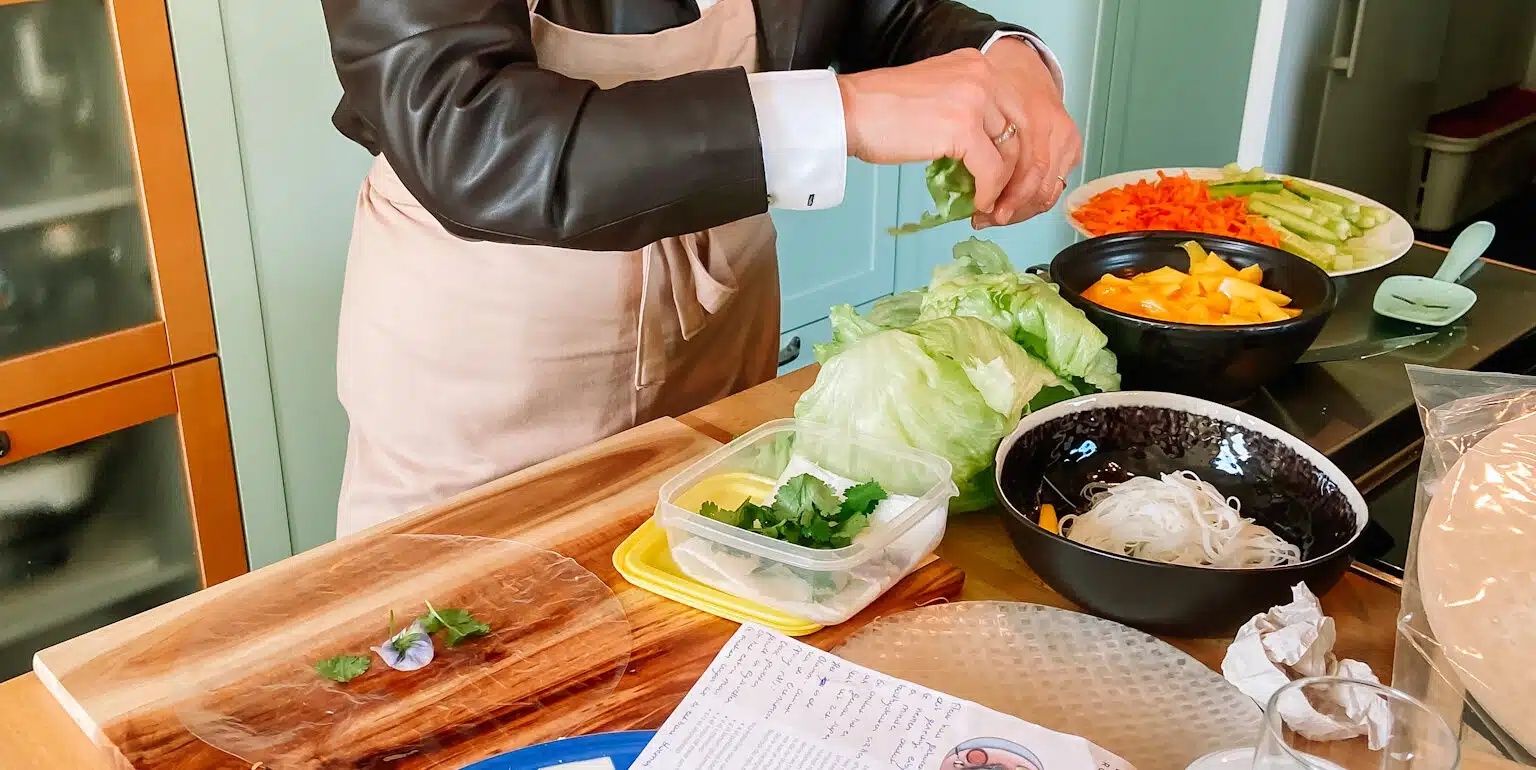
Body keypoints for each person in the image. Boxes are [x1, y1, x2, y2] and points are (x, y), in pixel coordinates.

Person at [322, 0, 1084, 536]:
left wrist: (1000, 53)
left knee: (722, 573)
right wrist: (843, 111)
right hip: (495, 344)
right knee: (463, 633)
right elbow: (469, 133)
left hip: (722, 307)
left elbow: (871, 12)